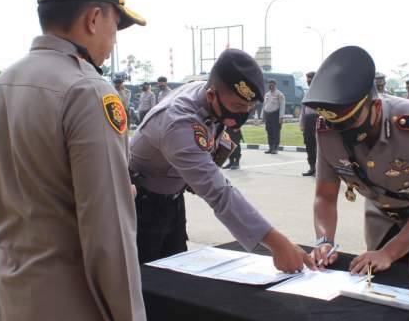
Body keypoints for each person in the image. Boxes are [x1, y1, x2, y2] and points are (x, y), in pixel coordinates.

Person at [0, 0, 156, 321]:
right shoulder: (90, 93)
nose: (112, 39)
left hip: (21, 312)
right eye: (115, 24)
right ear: (94, 17)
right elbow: (108, 231)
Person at [129, 48, 314, 273]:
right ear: (211, 95)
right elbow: (219, 193)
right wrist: (277, 243)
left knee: (175, 278)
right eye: (237, 106)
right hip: (143, 207)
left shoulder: (212, 98)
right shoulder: (179, 122)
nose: (243, 113)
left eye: (249, 107)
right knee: (147, 282)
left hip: (172, 200)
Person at [305, 46, 409, 274]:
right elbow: (324, 197)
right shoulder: (327, 131)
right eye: (336, 126)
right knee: (379, 282)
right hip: (382, 216)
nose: (342, 133)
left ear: (376, 107)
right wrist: (324, 241)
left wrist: (389, 253)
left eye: (350, 124)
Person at [299, 71, 318, 176]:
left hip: (318, 119)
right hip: (308, 121)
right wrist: (302, 123)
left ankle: (320, 169)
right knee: (309, 145)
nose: (308, 80)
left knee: (318, 146)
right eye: (307, 78)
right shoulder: (306, 93)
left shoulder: (321, 91)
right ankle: (312, 167)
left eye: (311, 78)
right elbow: (303, 109)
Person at [263, 79, 285, 154]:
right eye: (269, 84)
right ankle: (270, 147)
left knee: (276, 132)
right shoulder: (267, 94)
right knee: (269, 132)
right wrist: (262, 116)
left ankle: (275, 148)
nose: (270, 86)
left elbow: (282, 106)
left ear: (275, 85)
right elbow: (264, 105)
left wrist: (281, 117)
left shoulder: (279, 94)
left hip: (275, 115)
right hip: (267, 115)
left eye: (272, 84)